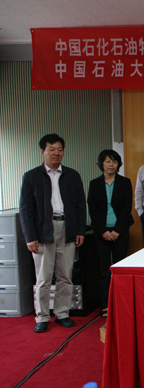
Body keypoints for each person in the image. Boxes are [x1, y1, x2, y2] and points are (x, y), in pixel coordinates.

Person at [19, 134, 86, 333]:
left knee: (65, 276)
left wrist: (80, 230)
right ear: (42, 152)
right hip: (43, 231)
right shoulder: (31, 176)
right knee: (43, 277)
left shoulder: (72, 175)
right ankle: (42, 316)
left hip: (67, 228)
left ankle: (62, 313)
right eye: (52, 149)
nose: (56, 153)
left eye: (60, 149)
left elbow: (80, 205)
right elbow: (25, 210)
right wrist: (30, 236)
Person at [87, 149, 133, 318]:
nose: (111, 164)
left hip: (120, 231)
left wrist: (117, 230)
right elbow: (92, 210)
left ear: (118, 164)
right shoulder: (94, 184)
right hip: (102, 233)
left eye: (114, 161)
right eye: (107, 161)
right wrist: (103, 231)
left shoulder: (125, 182)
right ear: (101, 164)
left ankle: (121, 302)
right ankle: (106, 304)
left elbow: (127, 208)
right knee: (104, 270)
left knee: (120, 268)